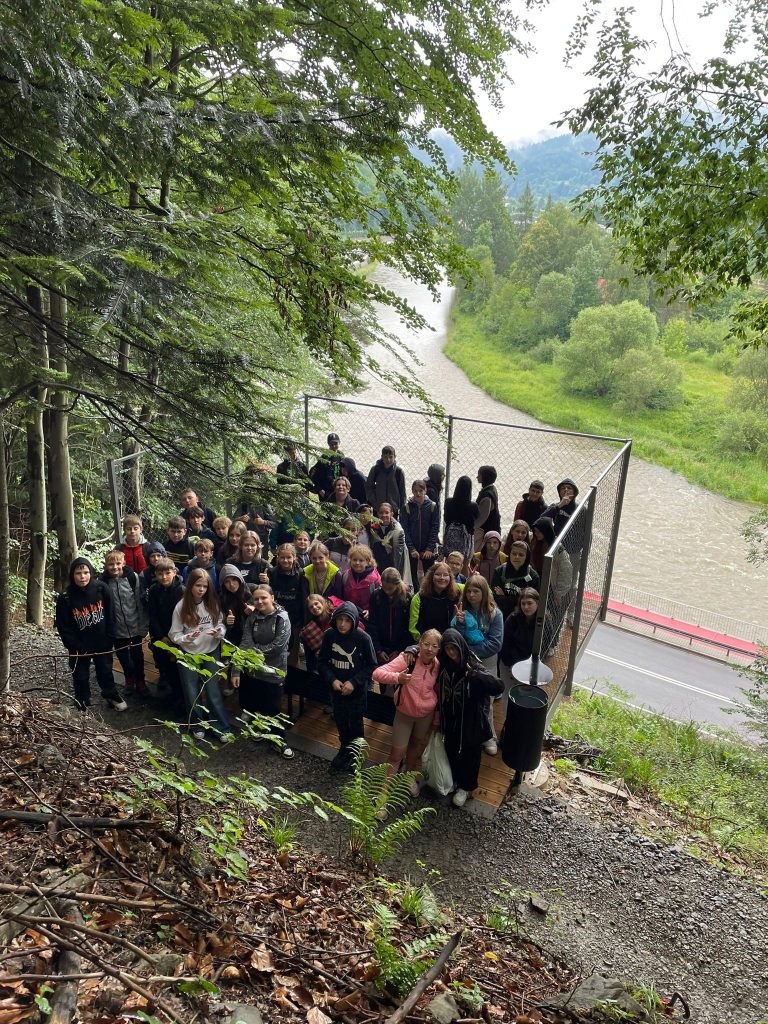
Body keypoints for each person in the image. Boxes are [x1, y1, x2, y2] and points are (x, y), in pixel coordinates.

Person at [436, 629, 502, 808]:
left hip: (471, 721)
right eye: (448, 648)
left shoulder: (472, 665)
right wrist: (411, 650)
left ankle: (467, 787)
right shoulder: (444, 665)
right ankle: (455, 780)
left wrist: (476, 676)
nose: (451, 652)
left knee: (470, 754)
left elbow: (498, 686)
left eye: (454, 647)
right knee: (451, 749)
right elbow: (424, 653)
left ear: (461, 646)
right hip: (450, 719)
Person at [55, 557, 127, 712]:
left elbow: (111, 615)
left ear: (91, 572)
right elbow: (63, 627)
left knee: (105, 670)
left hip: (102, 642)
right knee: (80, 675)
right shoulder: (65, 597)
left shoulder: (101, 588)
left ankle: (110, 694)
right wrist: (75, 646)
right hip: (79, 645)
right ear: (72, 575)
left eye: (86, 572)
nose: (82, 577)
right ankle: (82, 700)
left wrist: (110, 638)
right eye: (78, 573)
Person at [373, 629, 441, 794]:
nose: (429, 649)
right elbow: (377, 673)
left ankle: (408, 776)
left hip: (425, 715)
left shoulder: (438, 665)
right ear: (420, 643)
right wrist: (397, 678)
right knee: (396, 755)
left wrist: (436, 719)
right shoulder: (407, 658)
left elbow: (438, 691)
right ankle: (384, 793)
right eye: (426, 644)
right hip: (404, 713)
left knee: (415, 747)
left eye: (434, 646)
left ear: (439, 649)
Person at [169, 568, 232, 740]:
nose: (201, 590)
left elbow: (221, 624)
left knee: (212, 690)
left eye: (204, 586)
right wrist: (186, 638)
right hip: (189, 653)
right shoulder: (181, 606)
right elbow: (174, 634)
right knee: (191, 691)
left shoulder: (212, 603)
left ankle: (220, 727)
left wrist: (219, 632)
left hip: (211, 651)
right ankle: (197, 724)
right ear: (190, 585)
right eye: (198, 585)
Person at [232, 585, 294, 758]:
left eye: (263, 598)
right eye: (256, 599)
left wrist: (253, 651)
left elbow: (277, 647)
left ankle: (278, 739)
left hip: (274, 672)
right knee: (256, 704)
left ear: (272, 598)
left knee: (273, 707)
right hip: (253, 671)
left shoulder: (282, 618)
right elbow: (245, 643)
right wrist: (235, 670)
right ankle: (259, 729)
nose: (259, 602)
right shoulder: (253, 618)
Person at [318, 601, 376, 772]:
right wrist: (332, 680)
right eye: (340, 619)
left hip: (357, 692)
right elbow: (322, 662)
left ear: (354, 621)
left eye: (347, 620)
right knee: (341, 721)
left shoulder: (363, 638)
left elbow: (371, 665)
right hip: (336, 691)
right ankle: (344, 749)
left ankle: (357, 754)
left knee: (356, 724)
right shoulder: (329, 635)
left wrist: (354, 682)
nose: (342, 624)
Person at [451, 573, 504, 755]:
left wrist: (469, 650)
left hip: (486, 664)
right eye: (469, 591)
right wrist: (459, 624)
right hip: (465, 663)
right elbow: (455, 636)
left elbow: (495, 644)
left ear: (484, 593)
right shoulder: (462, 611)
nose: (472, 595)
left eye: (476, 591)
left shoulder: (495, 614)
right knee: (465, 697)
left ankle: (488, 736)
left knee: (486, 701)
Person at [102, 549, 148, 698]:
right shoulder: (103, 582)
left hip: (134, 626)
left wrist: (142, 626)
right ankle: (129, 679)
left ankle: (140, 680)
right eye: (111, 564)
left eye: (117, 563)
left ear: (123, 563)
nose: (114, 567)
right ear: (106, 565)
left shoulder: (132, 577)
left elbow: (140, 603)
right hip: (117, 628)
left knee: (137, 655)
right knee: (123, 657)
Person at [146, 558, 185, 714]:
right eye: (160, 574)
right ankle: (171, 693)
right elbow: (153, 615)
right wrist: (161, 636)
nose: (164, 577)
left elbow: (185, 616)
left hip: (178, 636)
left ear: (174, 572)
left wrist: (175, 637)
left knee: (179, 668)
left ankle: (182, 699)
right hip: (161, 635)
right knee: (165, 666)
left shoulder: (182, 591)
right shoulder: (154, 590)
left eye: (167, 573)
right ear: (155, 574)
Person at [530, 517, 573, 655]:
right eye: (535, 531)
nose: (536, 534)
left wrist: (558, 593)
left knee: (553, 618)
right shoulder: (535, 542)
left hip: (552, 588)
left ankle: (551, 644)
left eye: (539, 531)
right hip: (538, 583)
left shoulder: (558, 549)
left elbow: (566, 572)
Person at [267, 543, 308, 673]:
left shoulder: (301, 574)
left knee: (293, 650)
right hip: (276, 618)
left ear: (294, 557)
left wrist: (303, 620)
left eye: (289, 557)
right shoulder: (272, 573)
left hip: (295, 619)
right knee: (276, 648)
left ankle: (292, 676)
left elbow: (304, 598)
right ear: (277, 557)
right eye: (282, 557)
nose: (285, 560)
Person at [499, 587, 540, 707]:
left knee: (527, 697)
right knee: (509, 695)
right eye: (523, 603)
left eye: (530, 603)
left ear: (538, 603)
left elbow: (546, 647)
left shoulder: (544, 621)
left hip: (532, 666)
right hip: (510, 663)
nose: (526, 607)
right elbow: (505, 645)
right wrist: (512, 667)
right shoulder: (513, 619)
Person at [368, 567, 412, 664]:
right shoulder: (376, 596)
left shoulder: (407, 598)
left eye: (390, 589)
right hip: (381, 647)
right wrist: (378, 650)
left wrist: (399, 650)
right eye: (384, 588)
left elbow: (408, 627)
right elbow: (372, 624)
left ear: (397, 584)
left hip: (399, 648)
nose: (387, 591)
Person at [408, 561, 461, 641]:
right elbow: (413, 627)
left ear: (450, 577)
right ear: (431, 576)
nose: (442, 578)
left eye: (445, 575)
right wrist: (424, 642)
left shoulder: (456, 595)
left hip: (449, 642)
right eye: (438, 574)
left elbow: (472, 586)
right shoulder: (419, 598)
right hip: (427, 643)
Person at [401, 479, 440, 583]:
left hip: (427, 547)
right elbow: (405, 529)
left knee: (429, 576)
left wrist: (429, 548)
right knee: (412, 576)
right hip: (412, 546)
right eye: (415, 491)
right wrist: (411, 548)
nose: (418, 493)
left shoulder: (432, 506)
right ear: (412, 491)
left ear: (425, 491)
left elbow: (435, 528)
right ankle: (414, 591)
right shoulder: (407, 507)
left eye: (420, 491)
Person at [491, 540, 540, 618]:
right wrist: (519, 599)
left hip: (524, 616)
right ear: (509, 554)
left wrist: (504, 597)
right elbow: (496, 599)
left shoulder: (533, 576)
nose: (517, 557)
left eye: (521, 555)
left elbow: (531, 602)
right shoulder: (499, 571)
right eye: (514, 554)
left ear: (526, 557)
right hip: (502, 615)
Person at [299, 593, 342, 676]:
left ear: (321, 602)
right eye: (311, 607)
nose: (314, 607)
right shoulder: (313, 622)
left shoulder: (334, 611)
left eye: (316, 603)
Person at [235, 463, 275, 547]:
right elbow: (232, 521)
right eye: (250, 474)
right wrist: (240, 519)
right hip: (245, 541)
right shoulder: (243, 500)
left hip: (261, 540)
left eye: (255, 474)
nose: (253, 477)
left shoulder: (263, 500)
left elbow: (274, 523)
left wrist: (263, 522)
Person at [442, 476, 477, 564]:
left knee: (450, 562)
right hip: (465, 538)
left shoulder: (448, 502)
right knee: (464, 563)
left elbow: (446, 519)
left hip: (450, 536)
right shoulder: (473, 506)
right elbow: (476, 519)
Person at [340, 544, 381, 620]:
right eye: (354, 560)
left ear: (367, 561)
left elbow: (379, 601)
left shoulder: (375, 580)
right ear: (350, 560)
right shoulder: (345, 575)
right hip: (348, 614)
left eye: (361, 560)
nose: (357, 563)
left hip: (365, 616)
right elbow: (340, 595)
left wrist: (371, 611)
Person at [365, 445, 407, 516]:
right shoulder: (375, 470)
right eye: (385, 457)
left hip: (393, 509)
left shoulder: (399, 472)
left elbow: (402, 491)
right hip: (378, 508)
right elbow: (369, 487)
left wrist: (401, 508)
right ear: (382, 457)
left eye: (391, 457)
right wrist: (374, 503)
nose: (388, 460)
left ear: (395, 457)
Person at [310, 432, 344, 500]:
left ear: (339, 443)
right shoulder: (324, 457)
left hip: (338, 488)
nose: (334, 446)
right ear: (328, 444)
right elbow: (315, 474)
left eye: (336, 443)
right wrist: (319, 489)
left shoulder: (341, 456)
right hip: (325, 489)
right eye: (331, 444)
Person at [474, 466, 501, 547]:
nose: (477, 477)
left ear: (485, 477)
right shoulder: (492, 489)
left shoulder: (486, 497)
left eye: (479, 475)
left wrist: (471, 528)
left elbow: (481, 519)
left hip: (486, 533)